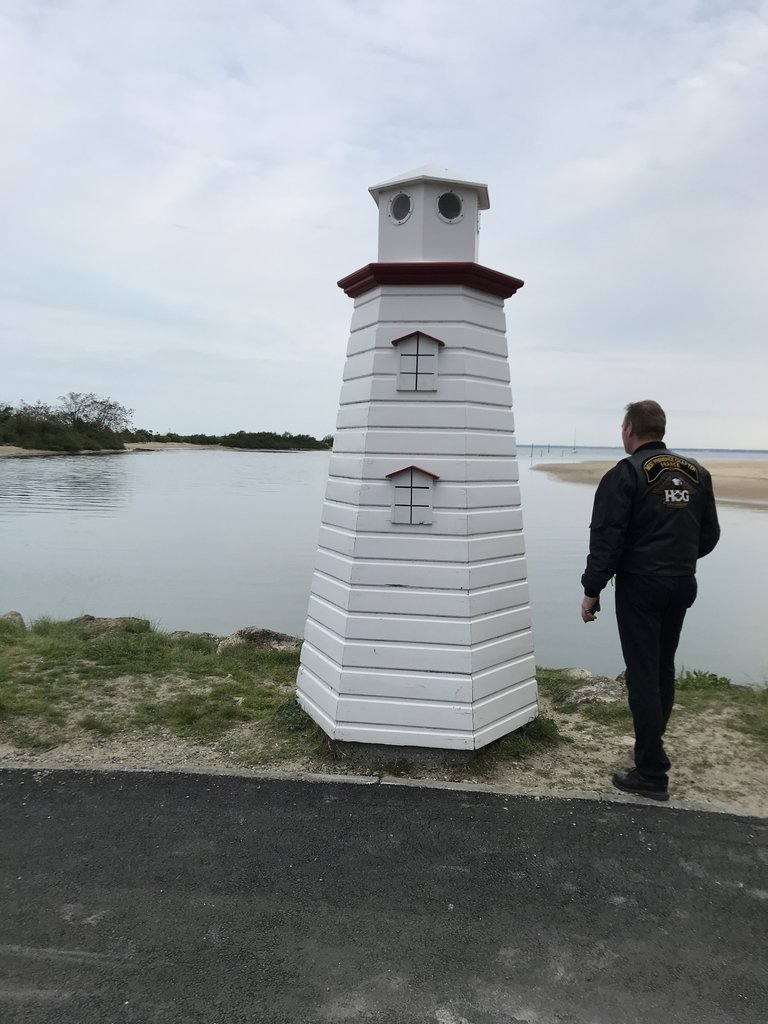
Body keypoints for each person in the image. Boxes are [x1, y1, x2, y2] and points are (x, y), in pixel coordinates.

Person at [580, 400, 720, 801]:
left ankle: (651, 772)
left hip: (641, 586)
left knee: (642, 672)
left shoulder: (625, 473)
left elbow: (607, 537)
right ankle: (651, 747)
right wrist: (678, 560)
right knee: (662, 667)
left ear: (629, 429)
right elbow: (709, 534)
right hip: (681, 582)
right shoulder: (697, 473)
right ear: (661, 428)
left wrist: (592, 590)